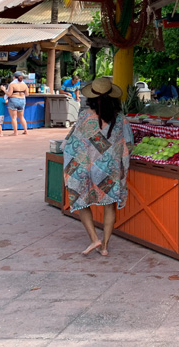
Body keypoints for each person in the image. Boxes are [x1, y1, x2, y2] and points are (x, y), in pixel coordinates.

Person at [63, 77, 133, 256]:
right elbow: (129, 145)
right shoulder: (122, 120)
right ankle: (105, 246)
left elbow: (72, 144)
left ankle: (94, 238)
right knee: (109, 206)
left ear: (91, 98)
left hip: (84, 169)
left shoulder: (85, 117)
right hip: (109, 171)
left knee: (81, 201)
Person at [7, 71, 29, 135]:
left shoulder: (12, 84)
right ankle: (25, 130)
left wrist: (4, 90)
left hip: (14, 100)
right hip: (22, 100)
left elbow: (9, 94)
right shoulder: (24, 85)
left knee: (14, 117)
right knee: (21, 117)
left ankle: (15, 132)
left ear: (14, 77)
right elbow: (27, 94)